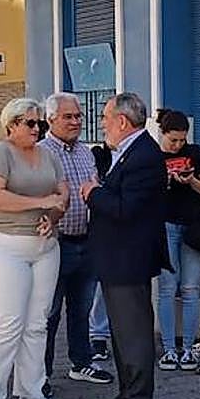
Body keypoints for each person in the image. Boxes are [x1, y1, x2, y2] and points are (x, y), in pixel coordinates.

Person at [0, 98, 68, 399]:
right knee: (6, 324)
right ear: (11, 125)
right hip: (7, 245)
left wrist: (53, 216)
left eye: (40, 123)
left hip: (44, 246)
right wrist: (41, 202)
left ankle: (31, 393)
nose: (36, 129)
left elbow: (63, 195)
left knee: (37, 324)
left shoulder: (49, 154)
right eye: (30, 123)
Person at [80, 93, 169, 399]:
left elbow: (125, 209)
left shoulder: (144, 155)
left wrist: (93, 193)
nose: (102, 123)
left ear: (122, 121)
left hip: (129, 259)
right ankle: (127, 393)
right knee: (120, 332)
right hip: (117, 257)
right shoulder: (129, 151)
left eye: (105, 117)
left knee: (133, 334)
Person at [39, 93, 113, 397]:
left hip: (87, 241)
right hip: (56, 244)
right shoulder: (41, 153)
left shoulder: (86, 152)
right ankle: (39, 375)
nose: (75, 121)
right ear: (51, 119)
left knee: (81, 309)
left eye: (79, 116)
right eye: (68, 117)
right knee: (49, 313)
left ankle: (81, 362)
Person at [155, 109, 200, 371]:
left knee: (191, 288)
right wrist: (166, 180)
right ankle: (169, 348)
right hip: (165, 225)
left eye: (182, 140)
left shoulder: (195, 153)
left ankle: (189, 347)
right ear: (163, 134)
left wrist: (190, 180)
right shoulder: (153, 157)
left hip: (193, 227)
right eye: (174, 141)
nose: (179, 146)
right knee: (168, 288)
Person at [88, 141, 114, 363]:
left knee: (101, 288)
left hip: (110, 234)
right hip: (87, 231)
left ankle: (99, 335)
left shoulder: (130, 155)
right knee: (93, 289)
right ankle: (95, 335)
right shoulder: (94, 156)